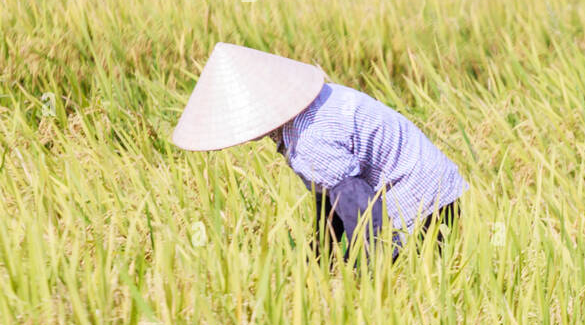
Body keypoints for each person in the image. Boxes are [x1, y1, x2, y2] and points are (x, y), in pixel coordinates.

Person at [171, 42, 465, 261]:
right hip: (438, 192)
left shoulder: (309, 139)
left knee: (400, 287)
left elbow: (361, 209)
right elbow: (332, 195)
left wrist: (368, 276)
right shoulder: (315, 105)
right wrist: (322, 253)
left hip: (422, 208)